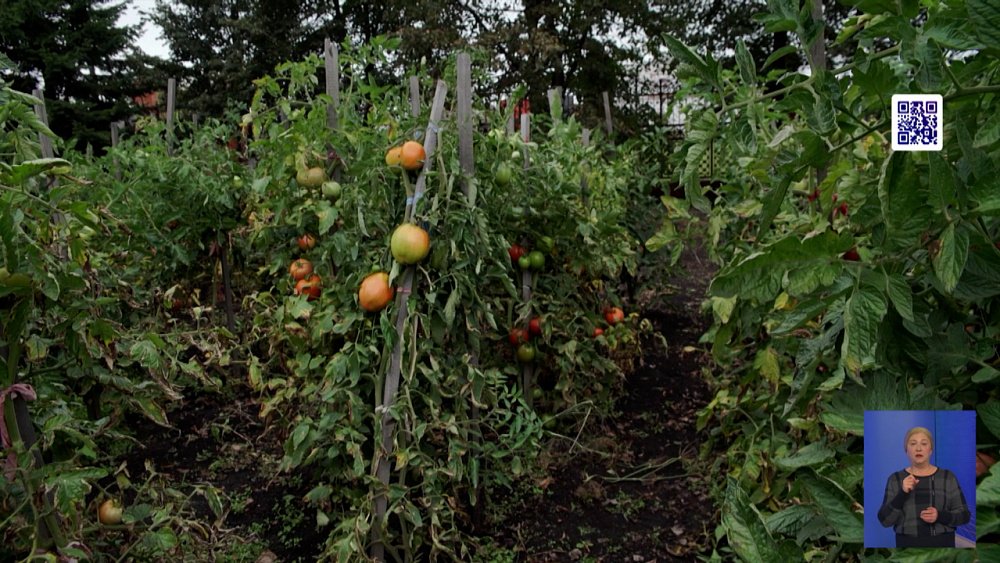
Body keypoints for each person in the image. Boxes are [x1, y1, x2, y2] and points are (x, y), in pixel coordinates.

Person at [877, 427, 971, 547]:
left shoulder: (947, 477)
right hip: (907, 548)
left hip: (943, 547)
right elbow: (884, 520)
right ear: (906, 450)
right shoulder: (895, 479)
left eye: (924, 443)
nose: (919, 448)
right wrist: (902, 493)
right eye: (913, 444)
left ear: (930, 450)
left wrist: (940, 516)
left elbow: (964, 515)